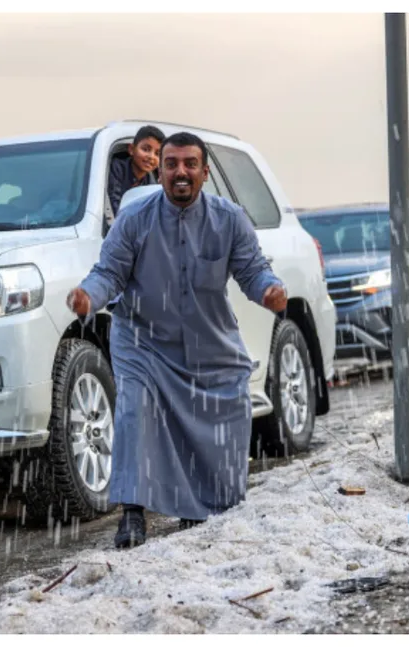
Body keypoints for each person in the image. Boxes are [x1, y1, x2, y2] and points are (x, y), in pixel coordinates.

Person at [67, 132, 289, 548]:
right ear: (160, 172)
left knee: (225, 408)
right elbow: (108, 273)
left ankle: (201, 506)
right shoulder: (135, 219)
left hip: (209, 340)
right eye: (171, 164)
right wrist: (88, 296)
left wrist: (268, 290)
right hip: (142, 340)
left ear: (205, 173)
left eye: (190, 164)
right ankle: (132, 514)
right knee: (135, 411)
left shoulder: (230, 219)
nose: (180, 172)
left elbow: (253, 270)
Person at [107, 125, 165, 220]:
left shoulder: (151, 183)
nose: (151, 157)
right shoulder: (118, 168)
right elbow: (114, 201)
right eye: (146, 149)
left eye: (157, 154)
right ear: (131, 149)